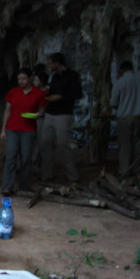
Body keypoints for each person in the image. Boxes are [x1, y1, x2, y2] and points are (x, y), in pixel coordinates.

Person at [0, 68, 46, 195]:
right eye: (19, 79)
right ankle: (6, 186)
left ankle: (23, 185)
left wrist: (37, 115)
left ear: (30, 78)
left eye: (24, 78)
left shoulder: (38, 94)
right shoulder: (13, 92)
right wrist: (3, 129)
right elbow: (7, 110)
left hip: (29, 129)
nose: (21, 81)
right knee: (11, 156)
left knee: (26, 157)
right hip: (12, 128)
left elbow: (42, 111)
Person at [40, 52, 82, 183]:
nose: (49, 65)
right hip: (50, 112)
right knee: (46, 143)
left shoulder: (72, 76)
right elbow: (51, 93)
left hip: (64, 113)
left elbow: (77, 93)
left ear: (58, 63)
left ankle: (72, 176)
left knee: (63, 144)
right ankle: (47, 174)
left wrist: (61, 97)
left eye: (51, 63)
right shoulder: (55, 77)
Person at [110, 61, 140, 177]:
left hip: (125, 116)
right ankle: (137, 169)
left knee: (125, 145)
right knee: (137, 144)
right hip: (139, 116)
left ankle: (124, 170)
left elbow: (113, 102)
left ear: (122, 70)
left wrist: (120, 105)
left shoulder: (120, 82)